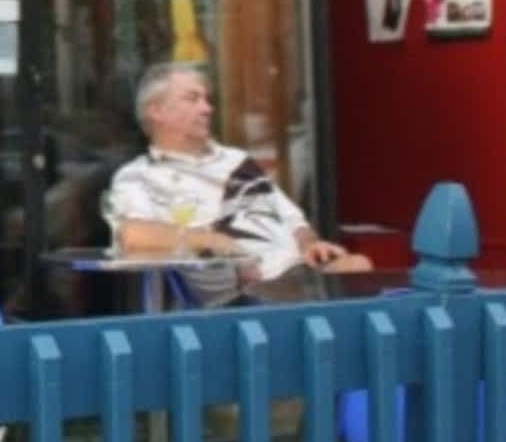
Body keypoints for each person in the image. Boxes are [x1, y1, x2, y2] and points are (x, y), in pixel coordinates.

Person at [107, 62, 368, 306]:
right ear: (157, 111)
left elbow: (293, 221)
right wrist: (214, 240)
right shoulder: (139, 176)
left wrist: (310, 244)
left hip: (298, 274)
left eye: (206, 99)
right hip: (245, 291)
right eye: (192, 98)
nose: (207, 108)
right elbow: (132, 234)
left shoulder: (237, 161)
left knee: (357, 266)